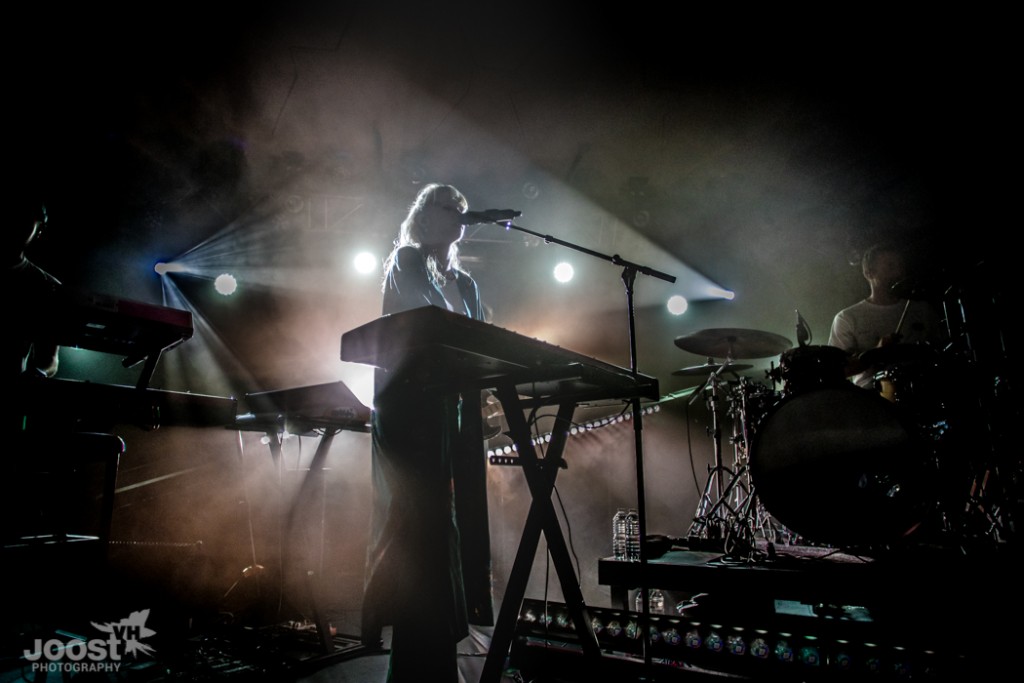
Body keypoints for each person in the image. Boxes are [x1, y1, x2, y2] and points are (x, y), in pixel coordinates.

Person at [361, 183, 487, 683]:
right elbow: (419, 321)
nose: (458, 217)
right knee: (418, 522)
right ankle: (411, 656)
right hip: (407, 406)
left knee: (444, 528)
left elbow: (476, 339)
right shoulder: (407, 259)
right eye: (448, 209)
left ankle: (428, 659)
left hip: (448, 407)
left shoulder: (467, 283)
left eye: (462, 210)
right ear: (425, 215)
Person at [828, 242, 942, 389]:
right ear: (869, 273)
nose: (898, 273)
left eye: (901, 266)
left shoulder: (922, 310)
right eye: (890, 266)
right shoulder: (847, 318)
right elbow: (837, 370)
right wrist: (876, 352)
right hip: (872, 402)